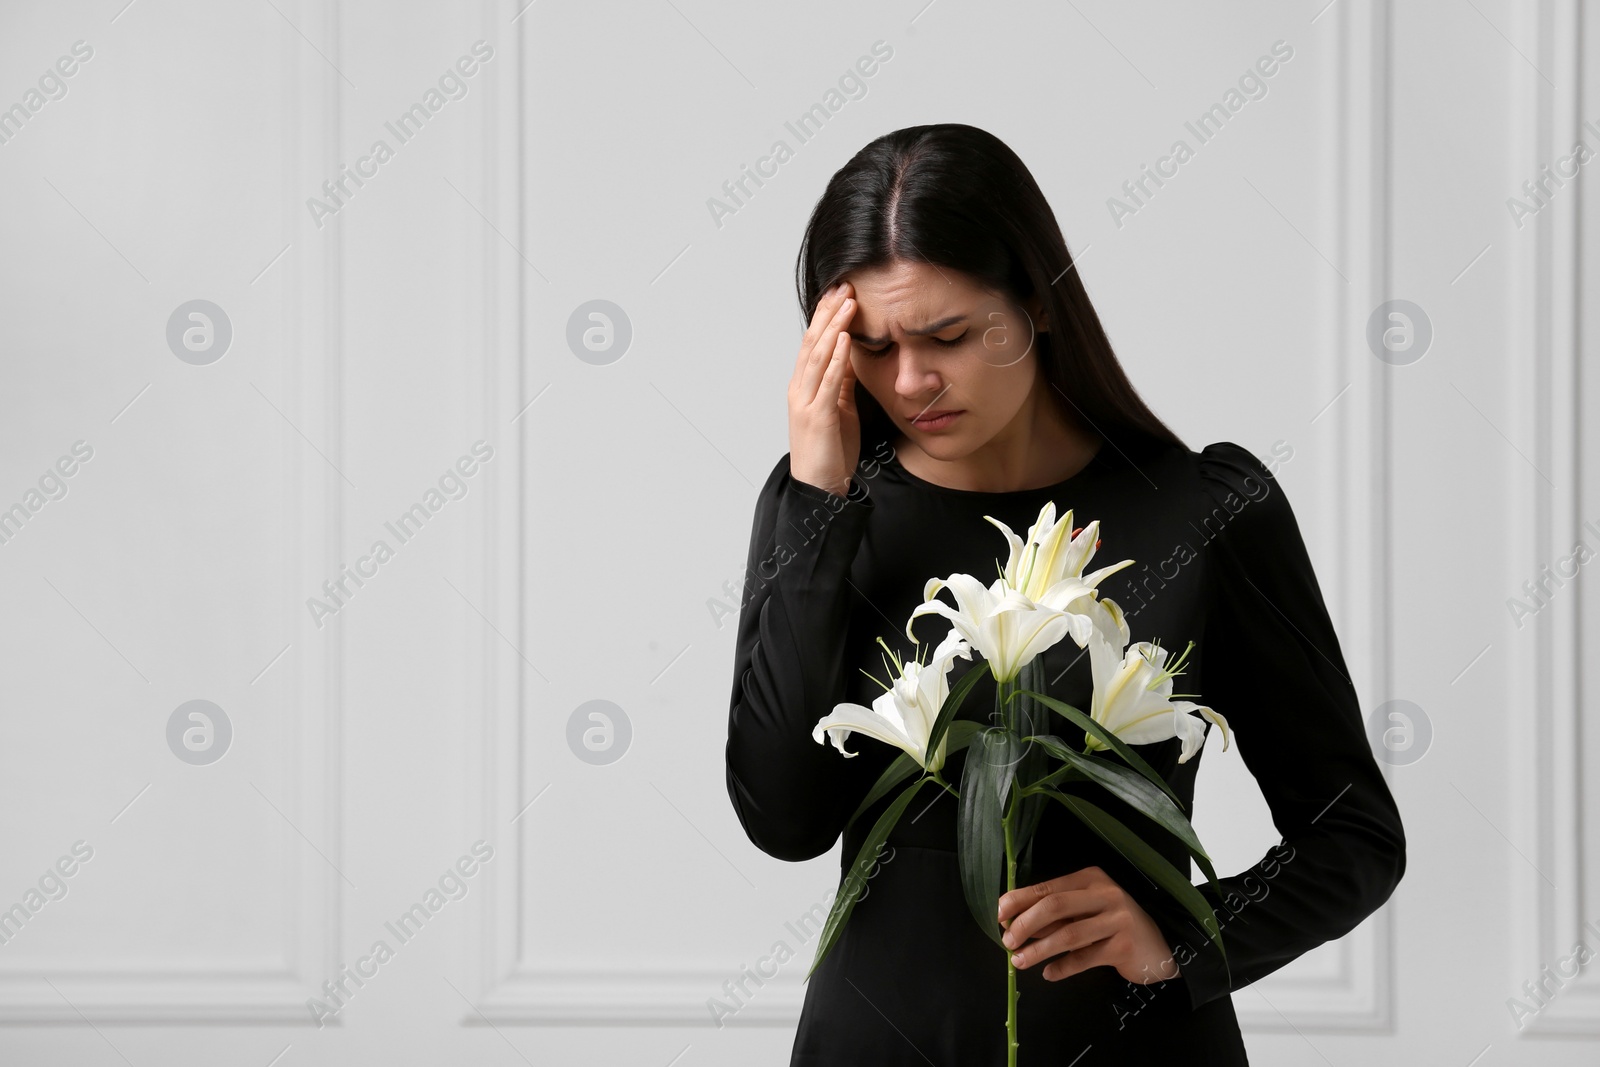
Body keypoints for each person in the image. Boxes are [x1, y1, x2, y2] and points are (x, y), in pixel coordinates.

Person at [724, 123, 1406, 1065]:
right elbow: (783, 818)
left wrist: (1185, 931)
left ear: (1038, 303)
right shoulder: (827, 508)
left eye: (949, 335)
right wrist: (816, 500)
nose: (911, 380)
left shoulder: (1204, 513)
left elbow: (1356, 837)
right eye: (873, 349)